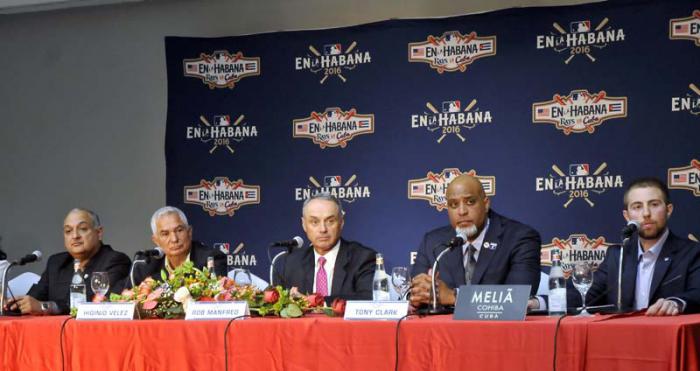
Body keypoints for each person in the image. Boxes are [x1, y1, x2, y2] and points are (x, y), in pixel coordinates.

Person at [568, 177, 700, 316]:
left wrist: (676, 303)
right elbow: (582, 295)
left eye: (654, 204)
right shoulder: (617, 256)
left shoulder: (692, 252)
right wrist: (544, 302)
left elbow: (697, 293)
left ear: (669, 210)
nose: (646, 213)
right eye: (637, 207)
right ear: (627, 216)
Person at [410, 174, 542, 309]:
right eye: (454, 204)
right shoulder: (433, 243)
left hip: (496, 329)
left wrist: (453, 297)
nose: (462, 211)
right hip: (444, 329)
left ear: (486, 204)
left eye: (470, 202)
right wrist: (416, 297)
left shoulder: (519, 238)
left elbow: (518, 298)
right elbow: (414, 295)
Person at [4, 208, 131, 315]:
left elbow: (97, 303)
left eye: (83, 229)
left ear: (99, 233)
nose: (75, 236)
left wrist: (45, 307)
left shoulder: (115, 261)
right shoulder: (56, 263)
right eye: (68, 231)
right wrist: (14, 304)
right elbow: (35, 297)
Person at [275, 192, 377, 301]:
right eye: (314, 222)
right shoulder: (292, 262)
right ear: (304, 224)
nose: (323, 229)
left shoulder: (362, 258)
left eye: (330, 221)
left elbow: (368, 299)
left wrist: (315, 302)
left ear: (341, 222)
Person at [128, 206, 227, 287]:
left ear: (189, 232)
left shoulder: (211, 258)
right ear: (156, 240)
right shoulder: (144, 264)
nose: (174, 239)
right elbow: (125, 298)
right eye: (165, 234)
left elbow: (217, 296)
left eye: (179, 230)